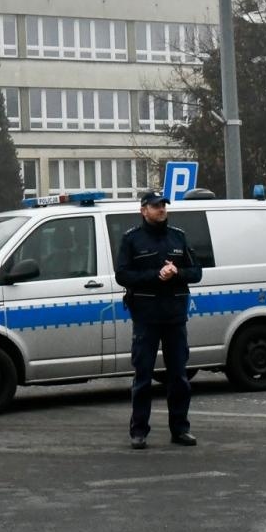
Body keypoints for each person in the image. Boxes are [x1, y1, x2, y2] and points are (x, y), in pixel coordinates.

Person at [115, 190, 203, 449]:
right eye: (156, 206)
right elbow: (122, 275)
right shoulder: (132, 239)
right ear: (144, 210)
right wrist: (156, 275)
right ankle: (139, 431)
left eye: (164, 205)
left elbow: (196, 272)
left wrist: (176, 272)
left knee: (179, 377)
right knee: (143, 377)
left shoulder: (178, 236)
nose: (162, 209)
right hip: (146, 317)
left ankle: (180, 429)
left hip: (175, 317)